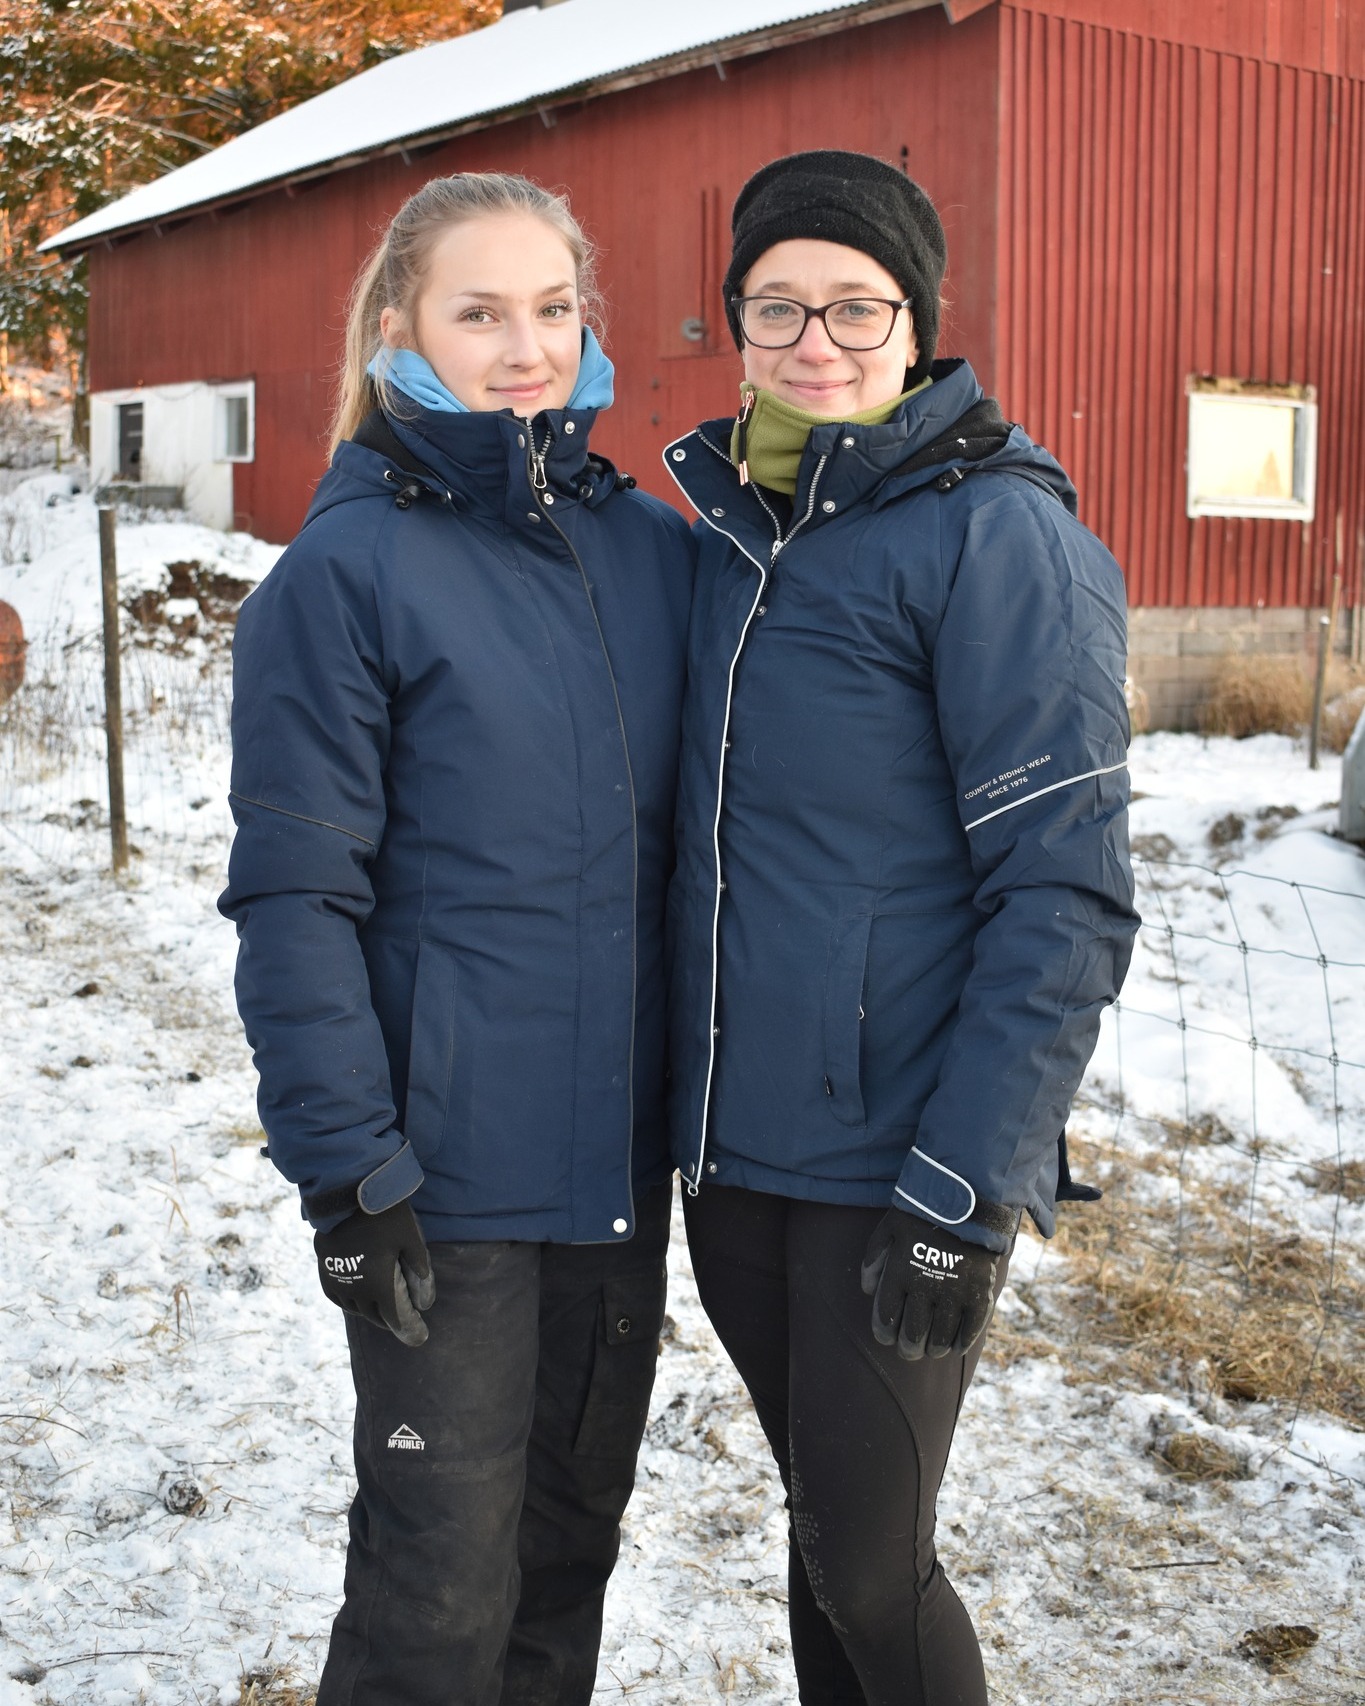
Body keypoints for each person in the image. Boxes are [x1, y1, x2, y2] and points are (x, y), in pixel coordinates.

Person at [663, 150, 1138, 1705]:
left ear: (917, 321)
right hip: (738, 1164)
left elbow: (1061, 888)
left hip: (897, 1168)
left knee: (874, 1561)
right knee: (822, 1538)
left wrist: (966, 1187)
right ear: (732, 319)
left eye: (855, 307)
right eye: (777, 304)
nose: (816, 341)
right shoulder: (737, 534)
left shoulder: (995, 538)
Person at [218, 172, 693, 1706]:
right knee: (436, 1591)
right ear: (397, 328)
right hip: (446, 1185)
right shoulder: (341, 577)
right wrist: (350, 1169)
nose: (524, 347)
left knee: (566, 1562)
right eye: (478, 310)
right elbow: (297, 895)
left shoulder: (647, 556)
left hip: (615, 1173)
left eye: (553, 308)